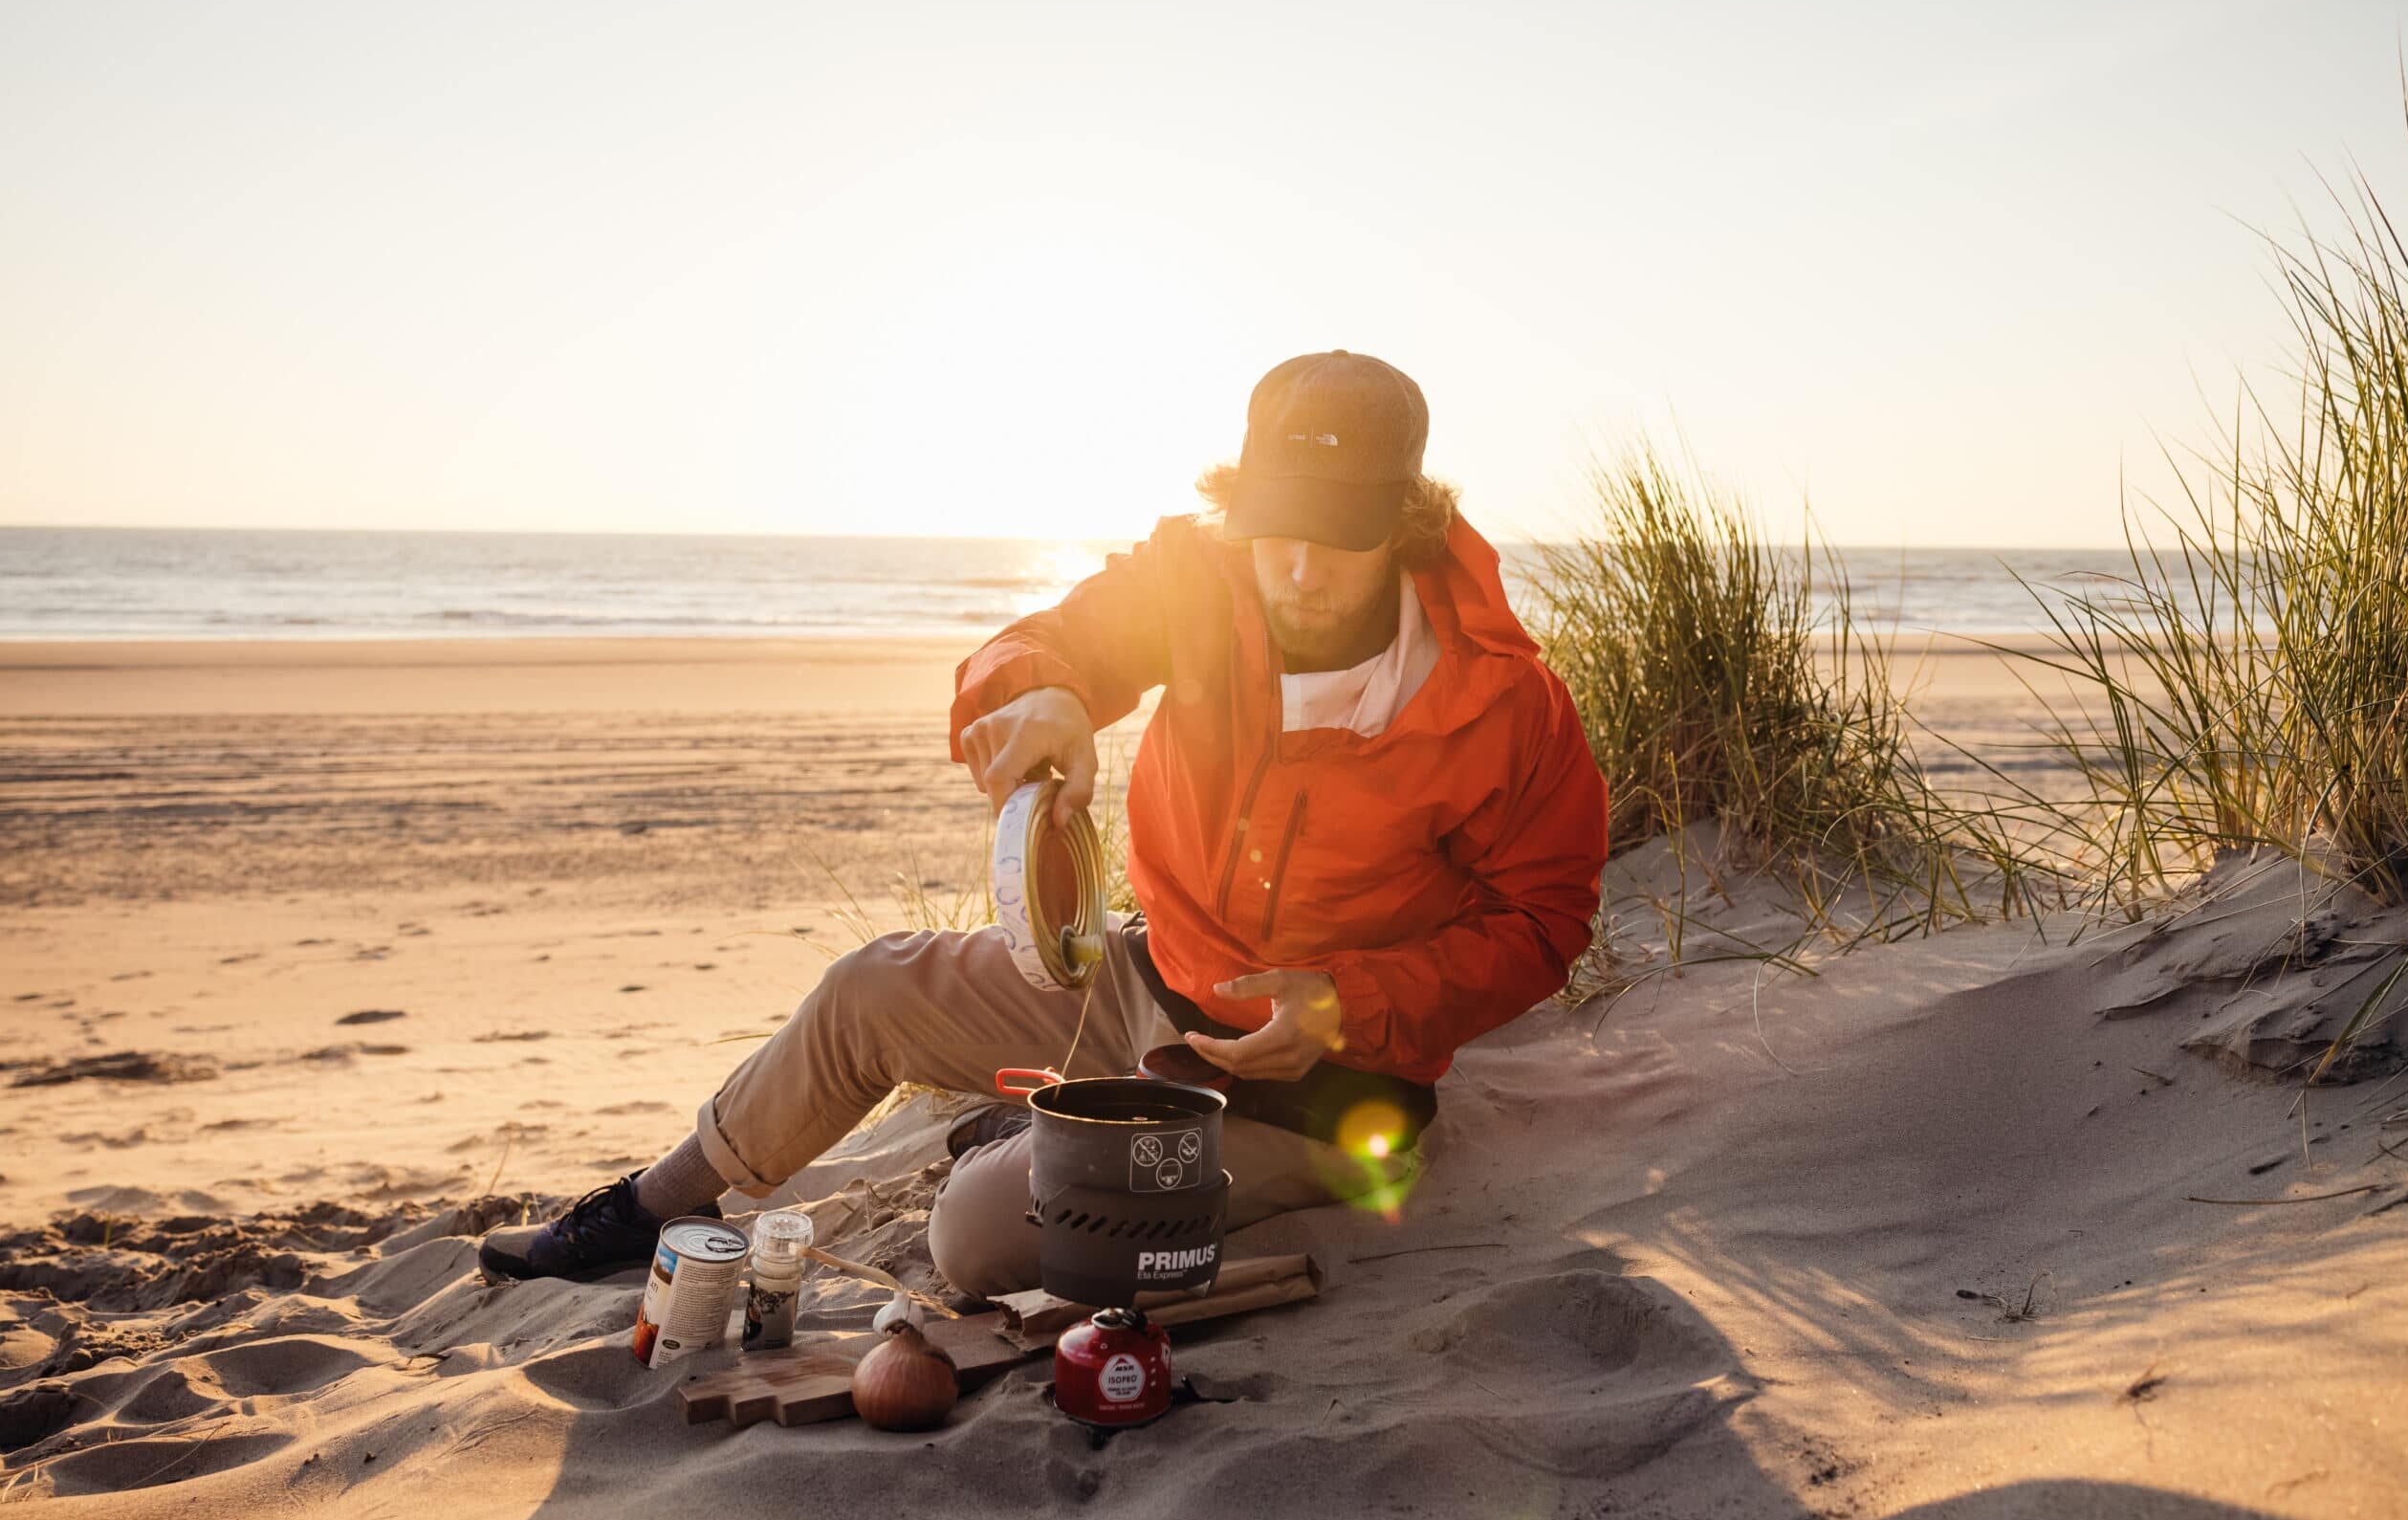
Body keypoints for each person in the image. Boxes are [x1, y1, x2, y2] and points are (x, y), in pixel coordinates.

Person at [480, 349, 1609, 1297]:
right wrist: (1043, 692)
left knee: (973, 1240)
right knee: (867, 988)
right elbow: (1042, 644)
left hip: (1313, 1090)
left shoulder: (1501, 703)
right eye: (1276, 527)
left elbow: (1544, 923)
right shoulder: (1202, 582)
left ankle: (1053, 1140)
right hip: (1137, 977)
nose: (1300, 568)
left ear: (1406, 520)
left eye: (1339, 533)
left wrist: (1351, 1003)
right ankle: (647, 1207)